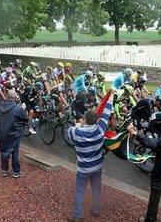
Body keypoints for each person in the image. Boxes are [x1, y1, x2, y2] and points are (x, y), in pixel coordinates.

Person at [66, 88, 114, 222]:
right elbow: (107, 111)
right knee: (97, 188)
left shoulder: (77, 132)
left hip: (83, 168)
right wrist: (111, 96)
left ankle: (78, 215)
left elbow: (68, 132)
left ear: (85, 119)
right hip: (97, 166)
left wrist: (78, 124)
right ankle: (96, 210)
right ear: (97, 121)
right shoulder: (100, 129)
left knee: (80, 191)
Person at [0, 89, 29, 178]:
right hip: (14, 134)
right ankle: (16, 172)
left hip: (2, 133)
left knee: (4, 151)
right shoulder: (18, 108)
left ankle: (4, 170)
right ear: (15, 98)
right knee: (15, 153)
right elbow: (25, 119)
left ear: (7, 97)